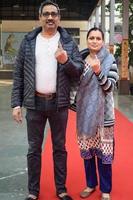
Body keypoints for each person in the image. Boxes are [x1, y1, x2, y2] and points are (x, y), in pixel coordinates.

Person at [11, 1, 83, 200]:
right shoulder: (28, 41)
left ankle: (61, 189)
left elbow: (78, 72)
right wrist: (16, 104)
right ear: (39, 17)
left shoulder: (68, 41)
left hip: (58, 104)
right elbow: (19, 74)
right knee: (34, 149)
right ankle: (33, 192)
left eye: (54, 14)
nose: (50, 17)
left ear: (59, 18)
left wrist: (65, 61)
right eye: (46, 14)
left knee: (59, 148)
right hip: (34, 104)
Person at [76, 27, 119, 200]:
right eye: (91, 38)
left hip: (104, 116)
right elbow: (75, 86)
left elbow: (109, 88)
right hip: (85, 114)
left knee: (104, 154)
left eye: (98, 38)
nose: (94, 41)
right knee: (88, 154)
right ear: (87, 40)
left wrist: (98, 71)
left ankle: (106, 189)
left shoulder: (110, 60)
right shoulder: (80, 60)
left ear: (102, 41)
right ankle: (90, 184)